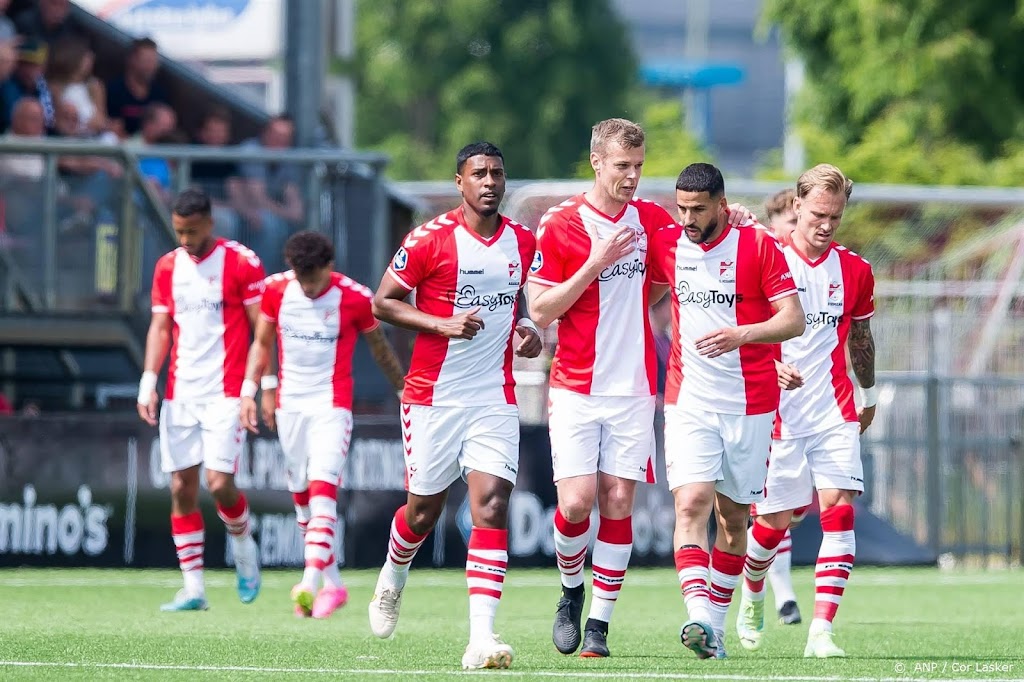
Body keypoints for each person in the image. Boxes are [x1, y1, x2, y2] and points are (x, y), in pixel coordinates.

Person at [366, 142, 542, 670]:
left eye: (497, 173)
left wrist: (529, 331)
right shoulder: (429, 240)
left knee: (491, 506)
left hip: (493, 397)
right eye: (479, 174)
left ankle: (481, 639)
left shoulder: (523, 243)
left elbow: (519, 307)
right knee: (422, 512)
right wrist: (440, 323)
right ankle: (394, 573)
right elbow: (382, 303)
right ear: (459, 182)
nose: (490, 182)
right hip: (432, 398)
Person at [526, 118, 672, 659]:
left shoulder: (652, 219)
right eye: (621, 167)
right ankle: (569, 590)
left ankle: (598, 628)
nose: (632, 177)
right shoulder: (561, 222)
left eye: (638, 166)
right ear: (596, 162)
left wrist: (740, 217)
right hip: (575, 387)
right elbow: (540, 309)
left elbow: (668, 272)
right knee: (576, 502)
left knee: (617, 501)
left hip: (634, 388)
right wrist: (595, 263)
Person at [648, 162, 805, 660]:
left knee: (733, 519)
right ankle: (698, 617)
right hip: (688, 398)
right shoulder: (669, 243)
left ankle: (715, 629)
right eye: (682, 209)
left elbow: (793, 319)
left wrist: (743, 334)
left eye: (698, 209)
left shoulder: (757, 246)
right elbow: (640, 287)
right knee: (691, 504)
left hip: (751, 401)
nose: (688, 219)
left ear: (721, 204)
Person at [735, 164, 876, 659]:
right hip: (775, 416)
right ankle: (752, 594)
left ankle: (821, 632)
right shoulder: (763, 260)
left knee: (838, 507)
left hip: (834, 409)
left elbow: (860, 335)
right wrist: (769, 366)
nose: (826, 224)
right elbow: (739, 332)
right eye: (818, 213)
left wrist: (870, 393)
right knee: (773, 524)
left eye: (835, 217)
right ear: (796, 206)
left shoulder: (855, 270)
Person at [240, 230, 406, 620]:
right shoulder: (277, 290)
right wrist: (254, 389)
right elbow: (262, 344)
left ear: (328, 268)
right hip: (289, 407)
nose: (308, 288)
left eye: (313, 280)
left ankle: (309, 582)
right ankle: (333, 585)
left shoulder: (353, 297)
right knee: (301, 496)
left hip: (331, 407)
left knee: (322, 488)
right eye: (301, 279)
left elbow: (380, 348)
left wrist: (403, 389)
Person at [137, 188, 265, 612]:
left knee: (220, 483)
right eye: (179, 232)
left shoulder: (241, 262)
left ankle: (244, 546)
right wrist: (148, 379)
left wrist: (258, 386)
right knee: (180, 486)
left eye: (192, 231)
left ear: (210, 223)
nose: (186, 240)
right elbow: (160, 327)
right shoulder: (167, 267)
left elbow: (261, 331)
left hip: (226, 393)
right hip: (180, 394)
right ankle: (194, 588)